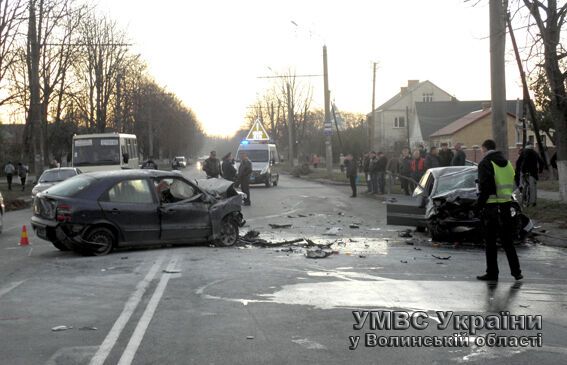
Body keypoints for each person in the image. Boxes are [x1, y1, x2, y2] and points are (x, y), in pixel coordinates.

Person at [476, 139, 522, 281]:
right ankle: (516, 272)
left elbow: (485, 188)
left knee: (490, 242)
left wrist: (478, 206)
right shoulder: (507, 164)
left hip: (491, 208)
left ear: (484, 149)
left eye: (481, 149)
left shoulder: (485, 163)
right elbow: (512, 183)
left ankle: (492, 273)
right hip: (506, 206)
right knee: (508, 241)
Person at [515, 142, 545, 207]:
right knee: (533, 187)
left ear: (526, 146)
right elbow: (541, 162)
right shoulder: (535, 153)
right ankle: (533, 202)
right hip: (533, 173)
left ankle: (523, 201)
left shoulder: (523, 152)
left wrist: (519, 170)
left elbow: (518, 162)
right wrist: (540, 170)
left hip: (525, 173)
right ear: (532, 146)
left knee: (524, 186)